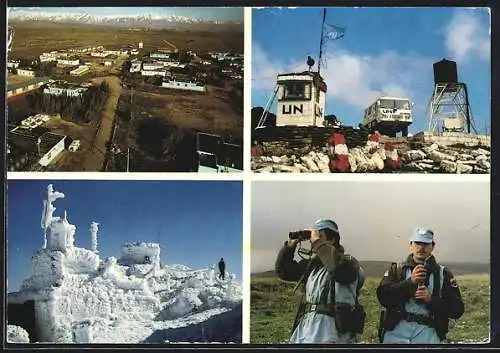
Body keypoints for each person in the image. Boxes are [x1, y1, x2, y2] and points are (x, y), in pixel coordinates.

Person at [275, 219, 366, 343]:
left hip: (332, 332)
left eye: (319, 237)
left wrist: (318, 243)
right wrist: (289, 247)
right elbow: (283, 271)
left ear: (333, 239)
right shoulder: (312, 267)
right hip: (306, 331)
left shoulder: (348, 263)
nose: (313, 242)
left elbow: (340, 271)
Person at [377, 227, 465, 344]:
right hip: (395, 333)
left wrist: (430, 300)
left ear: (432, 246)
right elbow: (383, 297)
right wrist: (410, 283)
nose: (421, 247)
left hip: (428, 334)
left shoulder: (443, 274)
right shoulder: (396, 270)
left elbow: (457, 309)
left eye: (425, 243)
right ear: (411, 245)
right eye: (418, 243)